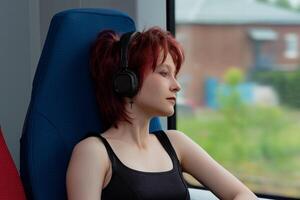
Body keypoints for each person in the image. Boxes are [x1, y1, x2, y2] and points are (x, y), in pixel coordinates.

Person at [66, 27, 257, 200]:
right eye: (164, 73)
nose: (177, 86)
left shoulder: (175, 142)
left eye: (175, 75)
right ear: (127, 81)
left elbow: (242, 194)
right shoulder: (93, 152)